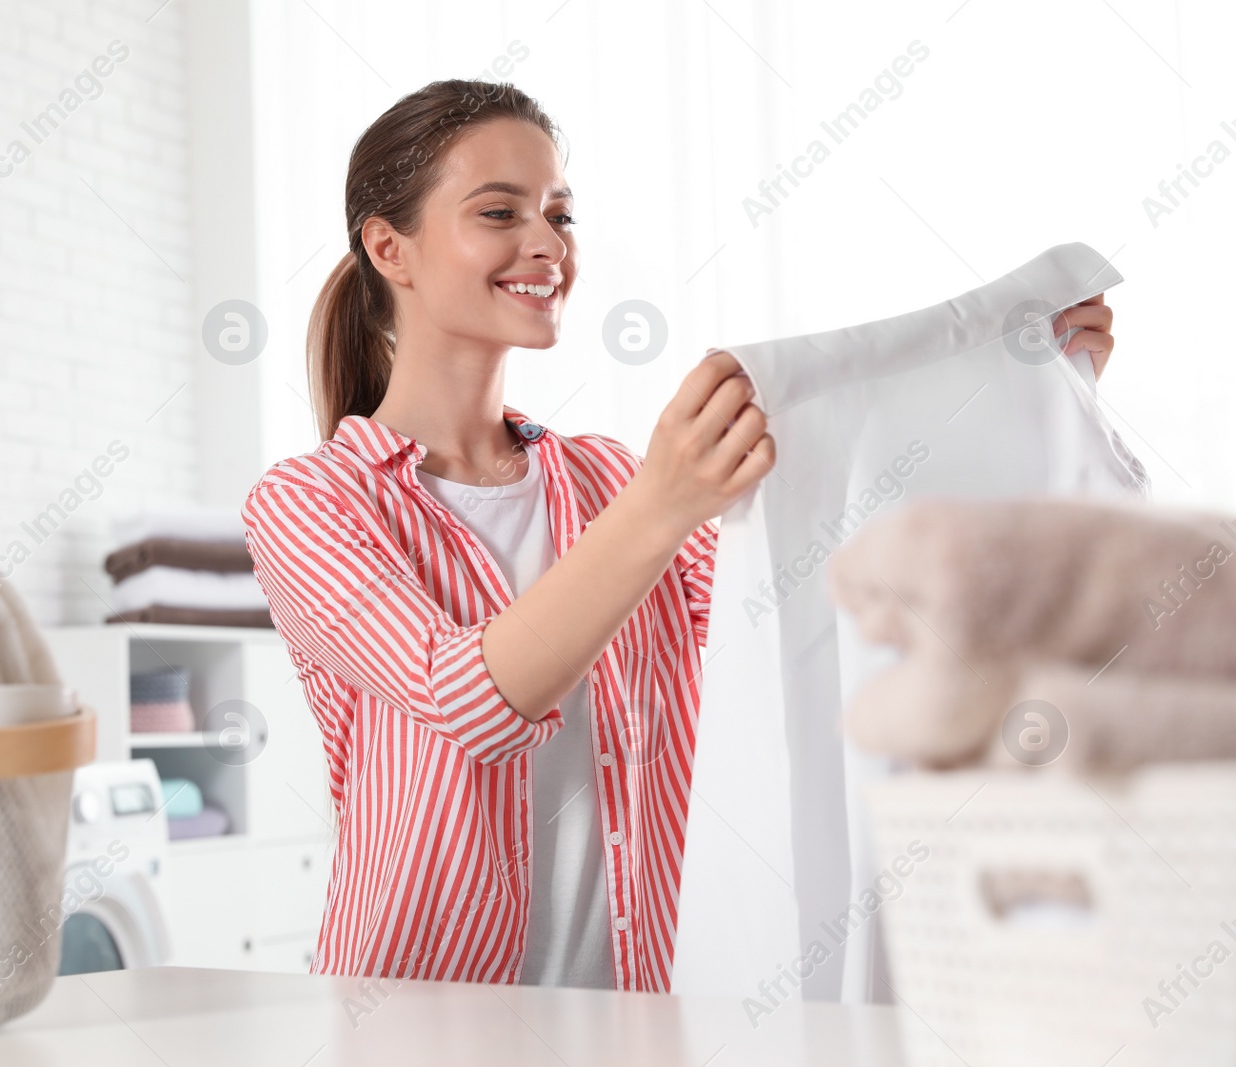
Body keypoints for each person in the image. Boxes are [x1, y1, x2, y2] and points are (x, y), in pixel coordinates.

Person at [239, 78, 1116, 993]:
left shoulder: (610, 478)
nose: (547, 245)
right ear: (390, 247)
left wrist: (1016, 397)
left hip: (643, 1012)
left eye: (560, 215)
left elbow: (828, 593)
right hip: (411, 1018)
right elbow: (469, 701)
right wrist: (664, 503)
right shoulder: (311, 502)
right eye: (499, 212)